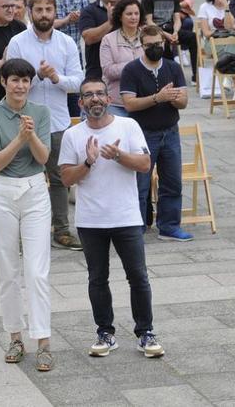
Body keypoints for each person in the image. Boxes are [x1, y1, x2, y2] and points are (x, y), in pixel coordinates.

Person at [58, 78, 164, 359]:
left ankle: (146, 332)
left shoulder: (128, 126)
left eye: (100, 94)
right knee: (97, 278)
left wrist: (118, 155)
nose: (95, 99)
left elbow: (144, 165)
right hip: (91, 219)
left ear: (108, 98)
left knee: (138, 277)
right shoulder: (73, 135)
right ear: (80, 102)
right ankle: (105, 332)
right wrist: (89, 163)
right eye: (88, 95)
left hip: (126, 216)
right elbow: (66, 177)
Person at [0, 58, 54, 371]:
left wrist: (31, 136)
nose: (20, 86)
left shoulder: (41, 112)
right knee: (7, 269)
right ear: (4, 82)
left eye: (25, 80)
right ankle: (15, 337)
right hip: (1, 193)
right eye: (15, 80)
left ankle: (44, 341)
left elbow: (43, 157)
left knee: (37, 271)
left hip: (35, 191)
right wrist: (19, 138)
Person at [5, 0, 84, 250]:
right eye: (38, 10)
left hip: (58, 122)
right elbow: (12, 82)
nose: (43, 15)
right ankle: (20, 230)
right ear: (29, 12)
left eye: (48, 10)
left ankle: (61, 229)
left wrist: (56, 78)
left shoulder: (66, 43)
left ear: (55, 12)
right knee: (21, 178)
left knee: (59, 178)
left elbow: (78, 82)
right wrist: (36, 76)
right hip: (25, 122)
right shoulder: (18, 42)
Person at [120, 25, 191, 240]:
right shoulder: (131, 70)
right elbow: (129, 104)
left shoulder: (173, 68)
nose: (155, 48)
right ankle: (137, 228)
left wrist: (175, 99)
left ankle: (169, 226)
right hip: (142, 134)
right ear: (142, 46)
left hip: (170, 131)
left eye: (158, 44)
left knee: (172, 182)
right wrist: (157, 98)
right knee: (140, 184)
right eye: (150, 45)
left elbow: (184, 101)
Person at [100, 0, 144, 116]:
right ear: (120, 16)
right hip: (116, 103)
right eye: (129, 14)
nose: (134, 17)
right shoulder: (108, 39)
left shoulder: (147, 35)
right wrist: (135, 65)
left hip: (144, 101)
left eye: (136, 13)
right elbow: (108, 71)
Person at [140, 0, 187, 67]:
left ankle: (196, 75)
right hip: (154, 30)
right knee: (162, 43)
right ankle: (169, 68)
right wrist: (166, 35)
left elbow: (177, 18)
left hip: (170, 29)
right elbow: (149, 22)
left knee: (192, 38)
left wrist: (175, 32)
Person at [80, 0, 121, 81]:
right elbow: (88, 38)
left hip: (125, 71)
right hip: (98, 75)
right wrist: (110, 22)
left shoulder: (129, 7)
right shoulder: (89, 11)